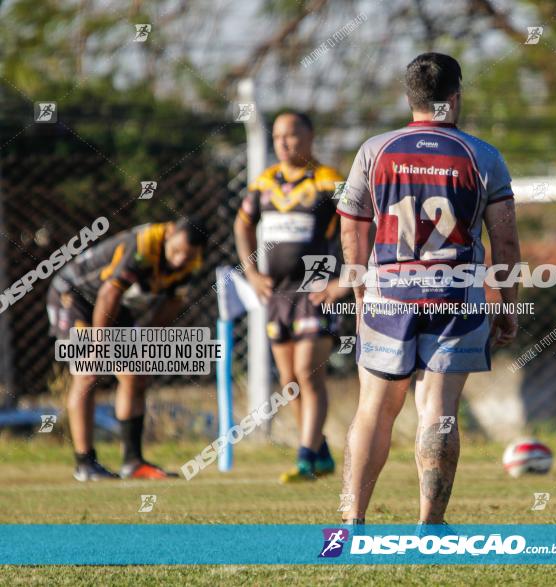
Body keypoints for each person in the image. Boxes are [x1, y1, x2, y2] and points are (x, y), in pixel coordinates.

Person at [336, 52, 520, 525]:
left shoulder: (374, 150)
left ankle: (352, 518)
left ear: (409, 97)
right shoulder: (483, 156)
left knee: (374, 407)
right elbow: (505, 239)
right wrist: (506, 302)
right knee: (437, 407)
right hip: (455, 297)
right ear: (455, 97)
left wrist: (359, 289)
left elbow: (352, 226)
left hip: (388, 295)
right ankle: (429, 524)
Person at [233, 110, 348, 482]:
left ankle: (304, 459)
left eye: (292, 135)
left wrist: (343, 280)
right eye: (278, 136)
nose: (283, 142)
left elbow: (363, 225)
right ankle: (320, 451)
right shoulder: (265, 182)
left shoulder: (329, 180)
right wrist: (251, 272)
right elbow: (242, 223)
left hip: (317, 290)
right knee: (289, 382)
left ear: (310, 137)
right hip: (278, 293)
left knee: (306, 373)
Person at [47, 217, 206, 480]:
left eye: (187, 256)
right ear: (169, 235)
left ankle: (133, 462)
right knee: (88, 371)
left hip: (115, 305)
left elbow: (171, 305)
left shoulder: (190, 264)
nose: (179, 260)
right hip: (74, 296)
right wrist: (99, 343)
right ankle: (85, 463)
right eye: (176, 252)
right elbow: (109, 292)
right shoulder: (143, 246)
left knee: (136, 372)